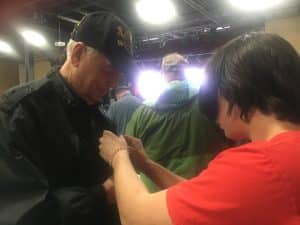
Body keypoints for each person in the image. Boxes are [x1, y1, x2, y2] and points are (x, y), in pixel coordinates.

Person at [99, 32, 300, 225]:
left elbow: (137, 218)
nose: (212, 112)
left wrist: (118, 155)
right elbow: (202, 195)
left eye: (216, 96)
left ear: (235, 91)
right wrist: (145, 163)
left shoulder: (260, 165)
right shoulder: (285, 156)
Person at [0, 11, 132, 225]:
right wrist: (101, 195)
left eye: (120, 75)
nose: (114, 82)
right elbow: (21, 212)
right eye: (108, 70)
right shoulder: (20, 113)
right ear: (77, 54)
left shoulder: (102, 122)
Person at [126, 52, 229, 192]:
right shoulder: (210, 102)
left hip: (158, 198)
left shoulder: (142, 111)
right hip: (205, 192)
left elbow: (130, 157)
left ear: (162, 74)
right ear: (186, 71)